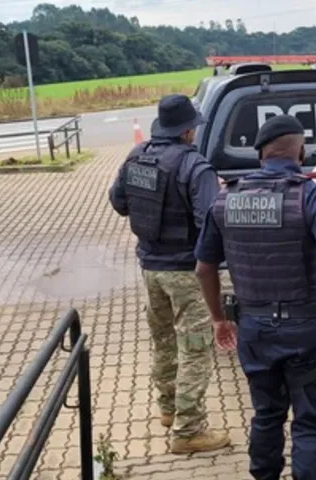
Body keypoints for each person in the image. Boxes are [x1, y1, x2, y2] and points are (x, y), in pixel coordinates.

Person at [194, 115, 316, 480]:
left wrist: (218, 319)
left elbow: (204, 268)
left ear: (260, 155)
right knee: (311, 422)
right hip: (308, 330)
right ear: (301, 153)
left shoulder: (225, 198)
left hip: (254, 328)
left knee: (267, 415)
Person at [109, 94, 231, 454]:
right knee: (195, 348)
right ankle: (188, 431)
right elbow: (209, 224)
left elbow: (119, 202)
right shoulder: (195, 166)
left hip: (150, 268)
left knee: (163, 341)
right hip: (186, 273)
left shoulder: (137, 155)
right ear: (188, 131)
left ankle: (168, 409)